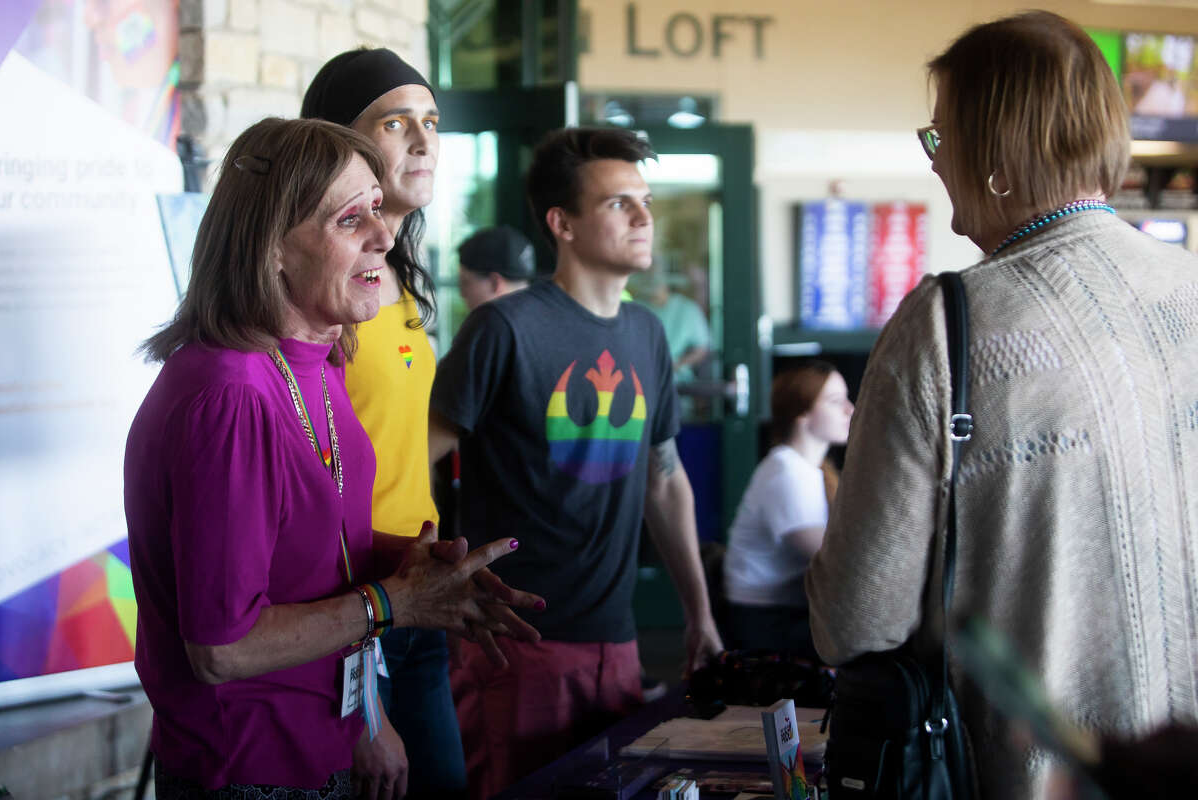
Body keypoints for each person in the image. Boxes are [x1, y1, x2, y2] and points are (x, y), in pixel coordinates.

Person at [805, 11, 1198, 800]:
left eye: (941, 138)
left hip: (1031, 776)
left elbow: (856, 621)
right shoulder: (1190, 292)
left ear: (992, 158)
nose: (935, 164)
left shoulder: (949, 325)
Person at [125, 117, 542, 799]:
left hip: (322, 741)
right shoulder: (231, 395)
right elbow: (221, 648)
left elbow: (302, 548)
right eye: (352, 219)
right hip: (247, 767)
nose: (386, 235)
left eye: (378, 208)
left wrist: (406, 564)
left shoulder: (320, 360)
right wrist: (393, 602)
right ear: (273, 251)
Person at [429, 127, 724, 797]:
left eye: (645, 200)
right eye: (620, 203)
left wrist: (698, 614)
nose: (644, 217)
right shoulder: (505, 328)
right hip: (517, 643)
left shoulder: (647, 333)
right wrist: (429, 582)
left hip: (616, 641)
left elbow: (664, 479)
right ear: (562, 223)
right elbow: (408, 463)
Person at [300, 48, 476, 798]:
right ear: (338, 143)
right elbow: (306, 489)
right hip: (348, 609)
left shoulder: (395, 270)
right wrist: (366, 710)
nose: (423, 141)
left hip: (415, 590)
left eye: (431, 123)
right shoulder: (319, 286)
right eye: (395, 122)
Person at [721, 362, 852, 660]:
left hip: (785, 613)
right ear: (802, 413)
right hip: (763, 623)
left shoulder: (811, 470)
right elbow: (833, 557)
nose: (850, 409)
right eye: (835, 402)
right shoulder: (787, 471)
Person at [457, 225, 536, 311]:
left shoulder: (488, 323)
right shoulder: (543, 319)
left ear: (495, 283)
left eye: (465, 283)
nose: (462, 294)